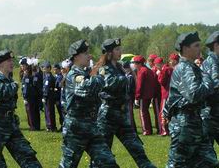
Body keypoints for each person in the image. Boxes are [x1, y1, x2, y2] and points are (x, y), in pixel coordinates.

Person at [91, 38, 156, 168]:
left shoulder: (119, 67)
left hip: (122, 115)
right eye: (117, 49)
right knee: (102, 155)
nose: (120, 51)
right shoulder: (103, 68)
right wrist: (127, 77)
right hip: (107, 116)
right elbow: (110, 83)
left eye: (120, 48)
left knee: (138, 150)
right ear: (109, 53)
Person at [163, 32, 219, 168]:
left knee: (211, 163)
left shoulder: (192, 67)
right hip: (184, 125)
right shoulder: (184, 68)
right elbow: (194, 95)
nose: (199, 49)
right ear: (186, 48)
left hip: (195, 122)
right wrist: (208, 79)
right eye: (196, 46)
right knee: (177, 163)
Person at [59, 40, 119, 168]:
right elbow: (88, 88)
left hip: (91, 126)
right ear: (76, 57)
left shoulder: (86, 73)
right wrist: (100, 76)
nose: (89, 56)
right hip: (76, 128)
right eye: (86, 53)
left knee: (108, 162)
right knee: (68, 164)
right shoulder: (73, 75)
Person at [0, 50, 42, 168]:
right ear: (0, 64)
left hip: (11, 124)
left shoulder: (9, 79)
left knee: (28, 157)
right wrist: (13, 86)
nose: (12, 63)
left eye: (11, 60)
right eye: (8, 61)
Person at [201, 31, 219, 151]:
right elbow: (216, 86)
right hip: (211, 116)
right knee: (207, 156)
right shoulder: (212, 63)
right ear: (216, 45)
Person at [132, 55, 156, 135]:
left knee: (143, 112)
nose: (134, 65)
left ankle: (146, 130)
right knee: (145, 112)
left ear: (139, 63)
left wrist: (137, 97)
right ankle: (149, 129)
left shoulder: (141, 71)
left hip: (143, 95)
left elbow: (139, 85)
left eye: (135, 63)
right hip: (149, 95)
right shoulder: (148, 70)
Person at [21, 58, 41, 131]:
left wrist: (25, 97)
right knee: (35, 111)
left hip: (29, 96)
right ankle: (37, 126)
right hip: (34, 95)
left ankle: (33, 126)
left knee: (30, 111)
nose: (22, 67)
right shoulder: (31, 74)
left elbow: (26, 87)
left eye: (23, 66)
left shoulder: (27, 75)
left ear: (26, 66)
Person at [42, 61, 57, 132]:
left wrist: (44, 97)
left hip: (49, 97)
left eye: (45, 67)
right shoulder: (46, 76)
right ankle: (49, 125)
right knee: (47, 111)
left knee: (49, 112)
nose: (43, 69)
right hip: (48, 96)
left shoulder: (49, 77)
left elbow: (47, 88)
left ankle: (51, 126)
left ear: (48, 68)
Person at [53, 63, 64, 130]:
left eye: (56, 69)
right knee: (60, 113)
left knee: (61, 112)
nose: (54, 70)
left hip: (59, 97)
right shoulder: (56, 76)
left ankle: (63, 125)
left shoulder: (60, 77)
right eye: (54, 69)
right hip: (56, 97)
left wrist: (57, 99)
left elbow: (58, 88)